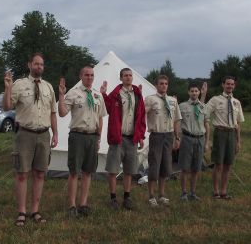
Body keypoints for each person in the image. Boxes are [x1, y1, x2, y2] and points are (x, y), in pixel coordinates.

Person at [3, 53, 58, 226]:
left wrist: (55, 133)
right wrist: (7, 88)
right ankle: (21, 212)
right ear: (29, 65)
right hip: (25, 134)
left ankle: (35, 210)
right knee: (22, 174)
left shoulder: (49, 87)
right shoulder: (19, 85)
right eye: (36, 64)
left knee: (40, 173)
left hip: (43, 134)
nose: (39, 67)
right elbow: (6, 107)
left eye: (41, 64)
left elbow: (53, 113)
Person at [58, 66, 107, 217]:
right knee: (74, 172)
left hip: (92, 137)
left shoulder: (98, 96)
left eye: (92, 75)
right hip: (77, 136)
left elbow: (100, 118)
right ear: (81, 76)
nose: (89, 77)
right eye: (86, 75)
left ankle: (83, 204)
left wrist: (98, 138)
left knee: (87, 172)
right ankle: (72, 205)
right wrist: (61, 95)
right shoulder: (73, 93)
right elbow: (62, 113)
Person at [99, 68, 146, 211]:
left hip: (132, 139)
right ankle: (113, 198)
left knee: (129, 170)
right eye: (125, 75)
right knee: (113, 170)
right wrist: (103, 94)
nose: (128, 77)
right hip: (118, 138)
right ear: (121, 78)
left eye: (130, 75)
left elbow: (141, 116)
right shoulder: (116, 94)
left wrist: (141, 135)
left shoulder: (137, 95)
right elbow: (106, 108)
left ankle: (127, 197)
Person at [204, 76, 244, 200]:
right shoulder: (215, 100)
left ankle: (223, 191)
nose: (230, 86)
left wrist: (238, 141)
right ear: (223, 85)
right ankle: (215, 191)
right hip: (220, 133)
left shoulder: (236, 102)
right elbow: (205, 113)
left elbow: (238, 123)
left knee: (228, 165)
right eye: (227, 84)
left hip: (232, 133)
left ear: (234, 86)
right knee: (218, 164)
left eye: (232, 84)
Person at [144, 75, 182, 207]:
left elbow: (176, 119)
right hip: (156, 135)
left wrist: (177, 137)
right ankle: (151, 196)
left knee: (166, 166)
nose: (164, 86)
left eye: (166, 83)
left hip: (169, 135)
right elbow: (141, 114)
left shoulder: (172, 101)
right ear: (156, 85)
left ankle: (161, 194)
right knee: (154, 165)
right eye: (161, 83)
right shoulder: (150, 99)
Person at [178, 82, 209, 201]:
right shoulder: (182, 106)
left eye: (196, 91)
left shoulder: (203, 106)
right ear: (188, 92)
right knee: (185, 168)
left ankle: (193, 192)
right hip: (187, 138)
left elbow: (206, 124)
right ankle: (184, 193)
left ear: (199, 92)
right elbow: (178, 123)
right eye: (192, 91)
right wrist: (177, 138)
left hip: (200, 138)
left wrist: (207, 142)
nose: (194, 93)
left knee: (196, 168)